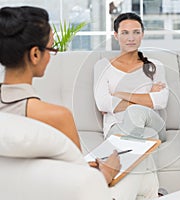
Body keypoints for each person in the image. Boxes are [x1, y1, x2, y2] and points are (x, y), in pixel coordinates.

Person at [0, 5, 120, 189]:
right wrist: (108, 172)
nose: (50, 56)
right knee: (142, 175)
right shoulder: (56, 117)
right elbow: (80, 188)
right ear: (35, 54)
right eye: (51, 49)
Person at [94, 12, 169, 142]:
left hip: (153, 123)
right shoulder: (102, 66)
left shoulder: (155, 66)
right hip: (117, 126)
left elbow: (161, 101)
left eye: (136, 32)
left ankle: (114, 160)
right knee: (149, 136)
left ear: (142, 35)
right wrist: (147, 99)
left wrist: (119, 94)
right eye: (125, 33)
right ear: (116, 35)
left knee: (136, 112)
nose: (131, 38)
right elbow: (103, 103)